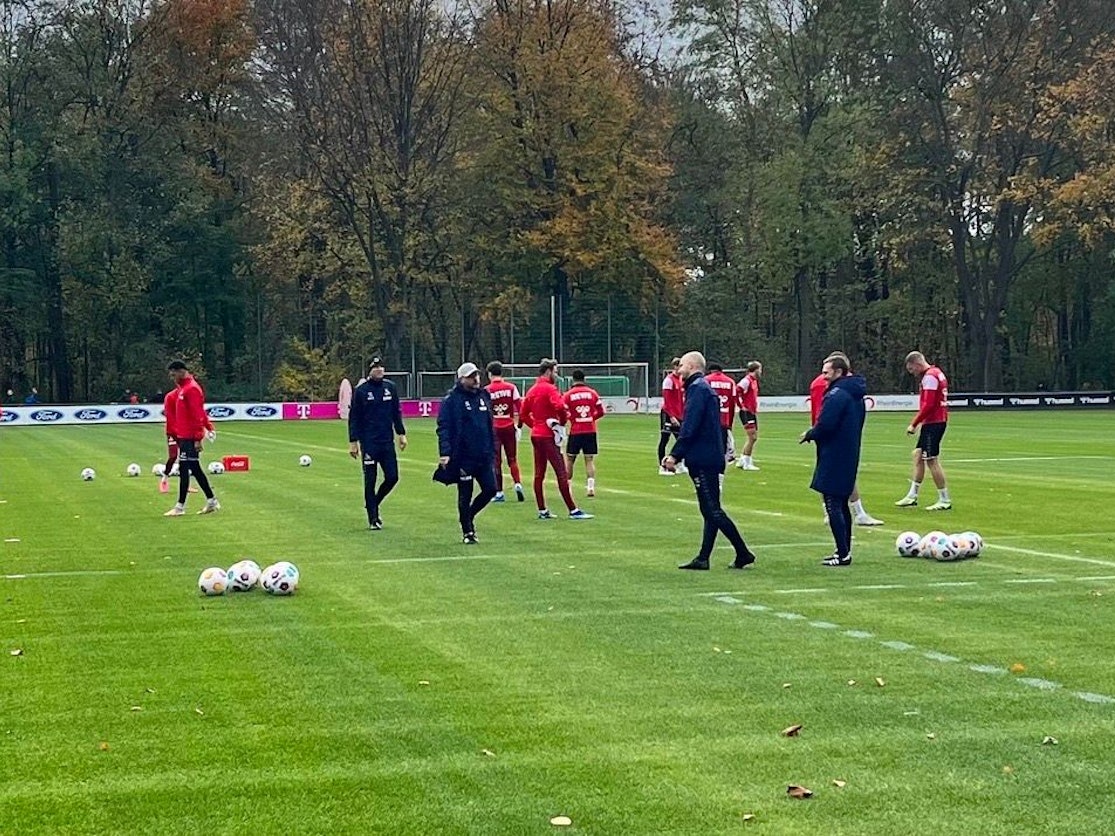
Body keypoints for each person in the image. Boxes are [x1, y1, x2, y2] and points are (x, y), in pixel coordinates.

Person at [663, 351, 757, 571]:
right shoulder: (703, 390)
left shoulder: (698, 390)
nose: (678, 370)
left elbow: (690, 427)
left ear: (694, 366)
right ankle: (704, 557)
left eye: (682, 365)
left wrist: (675, 454)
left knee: (712, 510)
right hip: (710, 456)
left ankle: (743, 552)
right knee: (709, 509)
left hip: (703, 458)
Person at [799, 355, 868, 566]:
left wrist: (810, 434)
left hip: (835, 453)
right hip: (848, 451)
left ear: (838, 372)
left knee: (832, 503)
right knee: (840, 502)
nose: (823, 376)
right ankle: (844, 550)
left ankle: (842, 553)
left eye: (826, 372)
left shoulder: (837, 394)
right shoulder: (854, 393)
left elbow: (826, 424)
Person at [808, 353, 883, 527]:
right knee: (832, 477)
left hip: (832, 432)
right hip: (831, 434)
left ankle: (850, 513)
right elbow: (823, 411)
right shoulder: (827, 385)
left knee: (834, 475)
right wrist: (818, 431)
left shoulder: (844, 387)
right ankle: (848, 512)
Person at [519, 358, 592, 520]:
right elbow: (560, 407)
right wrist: (561, 423)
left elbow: (523, 414)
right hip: (548, 436)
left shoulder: (532, 390)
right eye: (555, 371)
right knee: (561, 471)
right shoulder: (550, 389)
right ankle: (573, 510)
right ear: (548, 371)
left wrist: (535, 425)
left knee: (539, 474)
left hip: (536, 435)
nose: (557, 375)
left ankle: (542, 509)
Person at [437, 363, 498, 544]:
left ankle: (468, 516)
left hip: (484, 454)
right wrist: (445, 452)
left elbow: (488, 423)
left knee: (490, 490)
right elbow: (444, 427)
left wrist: (493, 447)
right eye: (471, 376)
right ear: (462, 378)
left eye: (477, 376)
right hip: (463, 456)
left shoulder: (484, 396)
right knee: (465, 493)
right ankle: (468, 531)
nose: (476, 379)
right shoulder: (452, 400)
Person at [348, 356, 408, 530]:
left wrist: (401, 433)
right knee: (370, 480)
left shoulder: (390, 388)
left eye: (381, 367)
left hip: (386, 441)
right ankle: (373, 518)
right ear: (369, 370)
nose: (380, 370)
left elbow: (396, 412)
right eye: (376, 367)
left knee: (392, 477)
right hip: (369, 443)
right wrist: (353, 441)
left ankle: (373, 503)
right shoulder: (361, 391)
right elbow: (354, 418)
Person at [895, 351, 952, 511]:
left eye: (912, 370)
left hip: (934, 422)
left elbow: (928, 404)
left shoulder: (929, 377)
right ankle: (912, 495)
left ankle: (944, 499)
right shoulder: (937, 372)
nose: (913, 374)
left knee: (931, 460)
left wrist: (914, 424)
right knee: (918, 455)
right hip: (936, 421)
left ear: (917, 364)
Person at [162, 360, 220, 516]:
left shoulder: (192, 389)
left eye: (174, 374)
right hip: (184, 436)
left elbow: (197, 414)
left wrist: (198, 438)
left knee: (185, 469)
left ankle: (180, 507)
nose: (173, 378)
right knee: (194, 469)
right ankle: (211, 500)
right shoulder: (183, 389)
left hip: (189, 438)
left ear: (181, 371)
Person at [160, 380, 211, 494]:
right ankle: (164, 478)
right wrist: (178, 432)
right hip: (173, 432)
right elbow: (171, 417)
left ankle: (186, 485)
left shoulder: (188, 394)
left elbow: (197, 413)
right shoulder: (170, 397)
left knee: (187, 460)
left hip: (185, 433)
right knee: (173, 456)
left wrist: (204, 428)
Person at [485, 361, 525, 503]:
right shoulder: (511, 387)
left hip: (494, 427)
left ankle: (499, 492)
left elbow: (484, 412)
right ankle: (518, 483)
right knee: (512, 459)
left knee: (496, 461)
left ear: (490, 374)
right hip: (509, 425)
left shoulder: (487, 390)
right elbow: (521, 408)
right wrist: (519, 425)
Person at [563, 369, 605, 497]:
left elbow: (563, 411)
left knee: (570, 459)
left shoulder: (568, 395)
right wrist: (591, 418)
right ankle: (590, 487)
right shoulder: (592, 393)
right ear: (584, 379)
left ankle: (568, 488)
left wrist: (572, 418)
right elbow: (601, 411)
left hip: (576, 430)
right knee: (589, 459)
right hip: (590, 430)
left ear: (573, 380)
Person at [704, 362, 739, 473]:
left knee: (707, 449)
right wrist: (730, 423)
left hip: (708, 421)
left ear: (710, 370)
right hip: (724, 420)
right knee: (721, 451)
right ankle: (719, 478)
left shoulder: (705, 380)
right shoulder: (730, 382)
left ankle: (708, 476)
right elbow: (733, 404)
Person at [657, 358, 685, 475]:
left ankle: (679, 463)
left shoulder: (682, 380)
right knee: (665, 439)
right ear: (674, 367)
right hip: (668, 413)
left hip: (679, 414)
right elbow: (667, 400)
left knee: (681, 440)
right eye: (678, 366)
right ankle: (662, 466)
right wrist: (671, 416)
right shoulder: (669, 380)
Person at [735, 361, 762, 470]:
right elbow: (737, 391)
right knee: (753, 437)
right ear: (755, 370)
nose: (761, 371)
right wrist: (741, 405)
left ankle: (743, 459)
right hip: (747, 412)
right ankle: (747, 463)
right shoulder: (747, 380)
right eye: (760, 369)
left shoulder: (754, 381)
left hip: (751, 412)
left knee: (753, 437)